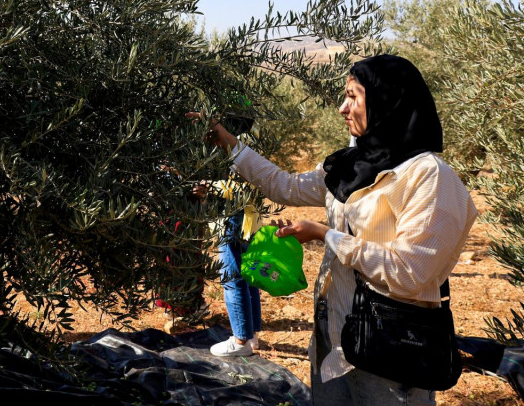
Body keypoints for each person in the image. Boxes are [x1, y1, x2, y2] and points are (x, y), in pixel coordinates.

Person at [199, 55, 477, 405]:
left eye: (353, 97)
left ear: (386, 100)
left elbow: (411, 272)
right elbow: (284, 186)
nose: (343, 108)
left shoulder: (428, 176)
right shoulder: (350, 165)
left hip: (391, 351)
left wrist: (324, 234)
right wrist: (229, 144)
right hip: (333, 341)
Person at [209, 205, 262, 357]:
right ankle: (251, 335)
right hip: (250, 215)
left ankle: (241, 341)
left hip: (232, 212)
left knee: (231, 278)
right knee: (249, 276)